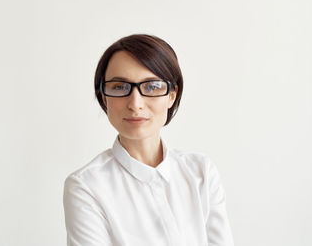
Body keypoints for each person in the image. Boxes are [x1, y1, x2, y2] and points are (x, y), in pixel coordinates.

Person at [63, 34, 234, 246]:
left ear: (172, 95)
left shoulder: (201, 172)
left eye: (152, 87)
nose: (135, 104)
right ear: (104, 97)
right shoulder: (86, 186)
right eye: (119, 87)